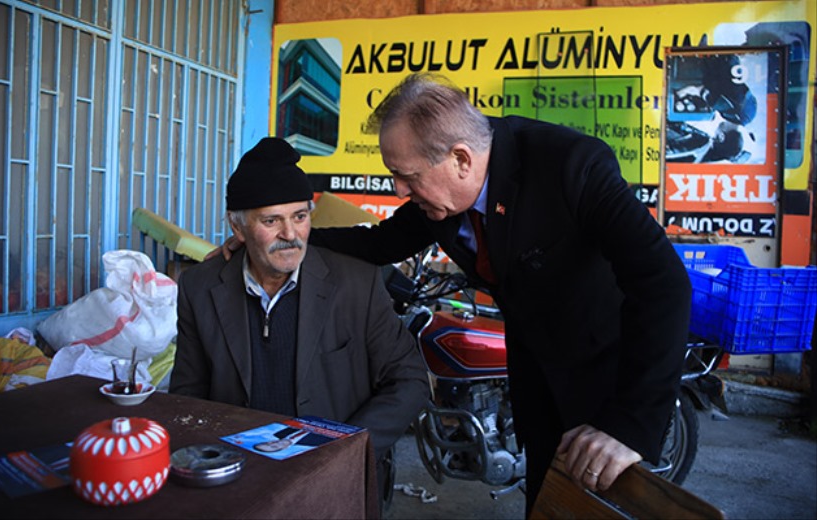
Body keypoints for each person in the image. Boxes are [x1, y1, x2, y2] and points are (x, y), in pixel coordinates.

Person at [215, 73, 692, 516]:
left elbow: (663, 283)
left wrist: (629, 424)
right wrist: (285, 238)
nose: (400, 189)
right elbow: (379, 243)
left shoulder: (572, 166)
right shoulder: (438, 197)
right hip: (537, 379)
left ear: (461, 158)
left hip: (607, 380)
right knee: (547, 502)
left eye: (407, 176)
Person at [170, 137, 430, 511]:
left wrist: (345, 448)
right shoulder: (201, 287)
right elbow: (188, 395)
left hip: (336, 487)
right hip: (239, 485)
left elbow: (410, 380)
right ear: (238, 227)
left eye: (300, 217)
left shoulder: (356, 284)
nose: (290, 234)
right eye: (271, 220)